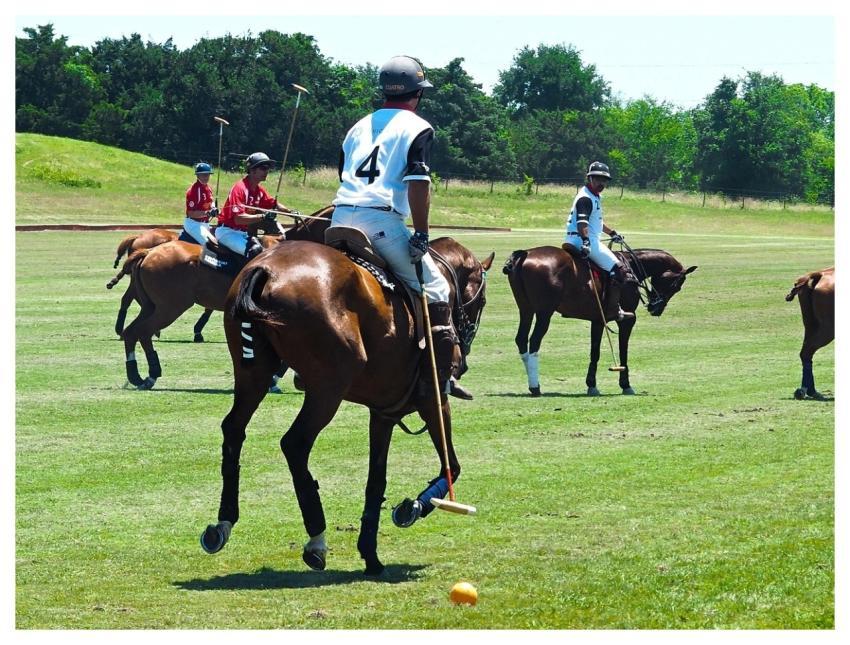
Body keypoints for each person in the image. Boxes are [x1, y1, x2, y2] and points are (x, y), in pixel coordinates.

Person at [329, 55, 471, 401]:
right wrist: (421, 233)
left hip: (338, 219)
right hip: (380, 222)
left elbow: (342, 171)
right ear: (417, 94)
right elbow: (418, 183)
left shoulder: (358, 126)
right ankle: (438, 377)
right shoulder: (418, 127)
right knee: (436, 287)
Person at [563, 161, 636, 321]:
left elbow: (597, 222)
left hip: (578, 238)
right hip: (584, 240)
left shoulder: (593, 196)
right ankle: (613, 310)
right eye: (597, 179)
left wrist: (612, 233)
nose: (601, 183)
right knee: (619, 270)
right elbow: (583, 222)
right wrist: (586, 241)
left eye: (604, 180)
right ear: (589, 178)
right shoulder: (586, 198)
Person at [216, 152, 289, 257]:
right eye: (263, 168)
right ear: (252, 170)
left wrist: (290, 212)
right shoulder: (240, 188)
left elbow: (274, 204)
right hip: (228, 232)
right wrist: (263, 216)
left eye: (268, 168)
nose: (267, 171)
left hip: (242, 233)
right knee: (256, 253)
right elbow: (238, 219)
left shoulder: (259, 191)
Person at [183, 162, 218, 245]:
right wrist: (207, 213)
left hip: (205, 223)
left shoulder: (208, 188)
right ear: (198, 176)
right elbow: (191, 213)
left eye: (208, 174)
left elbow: (211, 201)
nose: (206, 177)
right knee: (210, 244)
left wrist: (213, 208)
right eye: (203, 175)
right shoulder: (193, 191)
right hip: (193, 224)